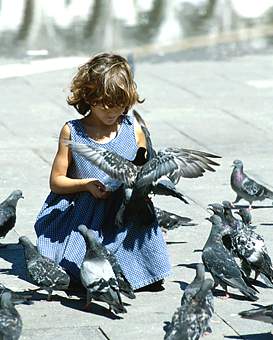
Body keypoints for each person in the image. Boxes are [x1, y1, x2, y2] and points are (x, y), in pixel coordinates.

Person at [34, 52, 171, 292]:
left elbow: (143, 170)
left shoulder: (133, 128)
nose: (112, 111)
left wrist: (143, 189)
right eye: (104, 104)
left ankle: (134, 267)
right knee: (78, 273)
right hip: (86, 214)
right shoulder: (72, 131)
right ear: (88, 96)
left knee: (147, 271)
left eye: (119, 105)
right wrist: (85, 184)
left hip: (124, 215)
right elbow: (56, 182)